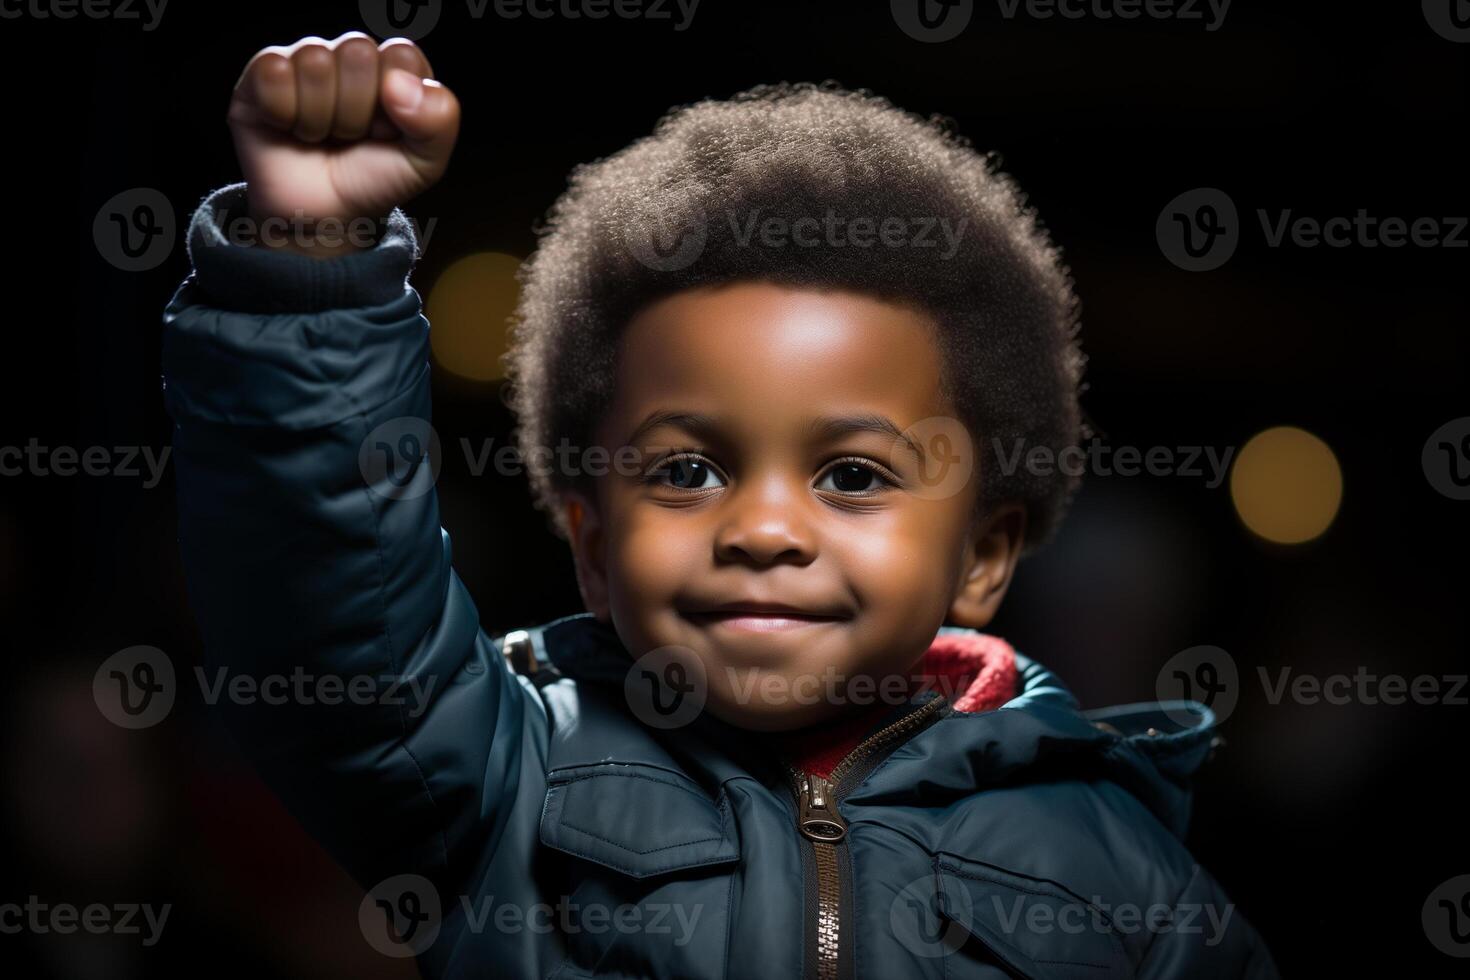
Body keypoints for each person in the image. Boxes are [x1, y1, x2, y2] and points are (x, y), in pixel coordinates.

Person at [162, 31, 1279, 978]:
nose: (763, 529)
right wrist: (311, 263)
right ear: (592, 545)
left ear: (983, 555)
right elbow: (329, 594)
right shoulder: (500, 770)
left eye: (853, 475)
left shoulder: (1121, 870)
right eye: (687, 470)